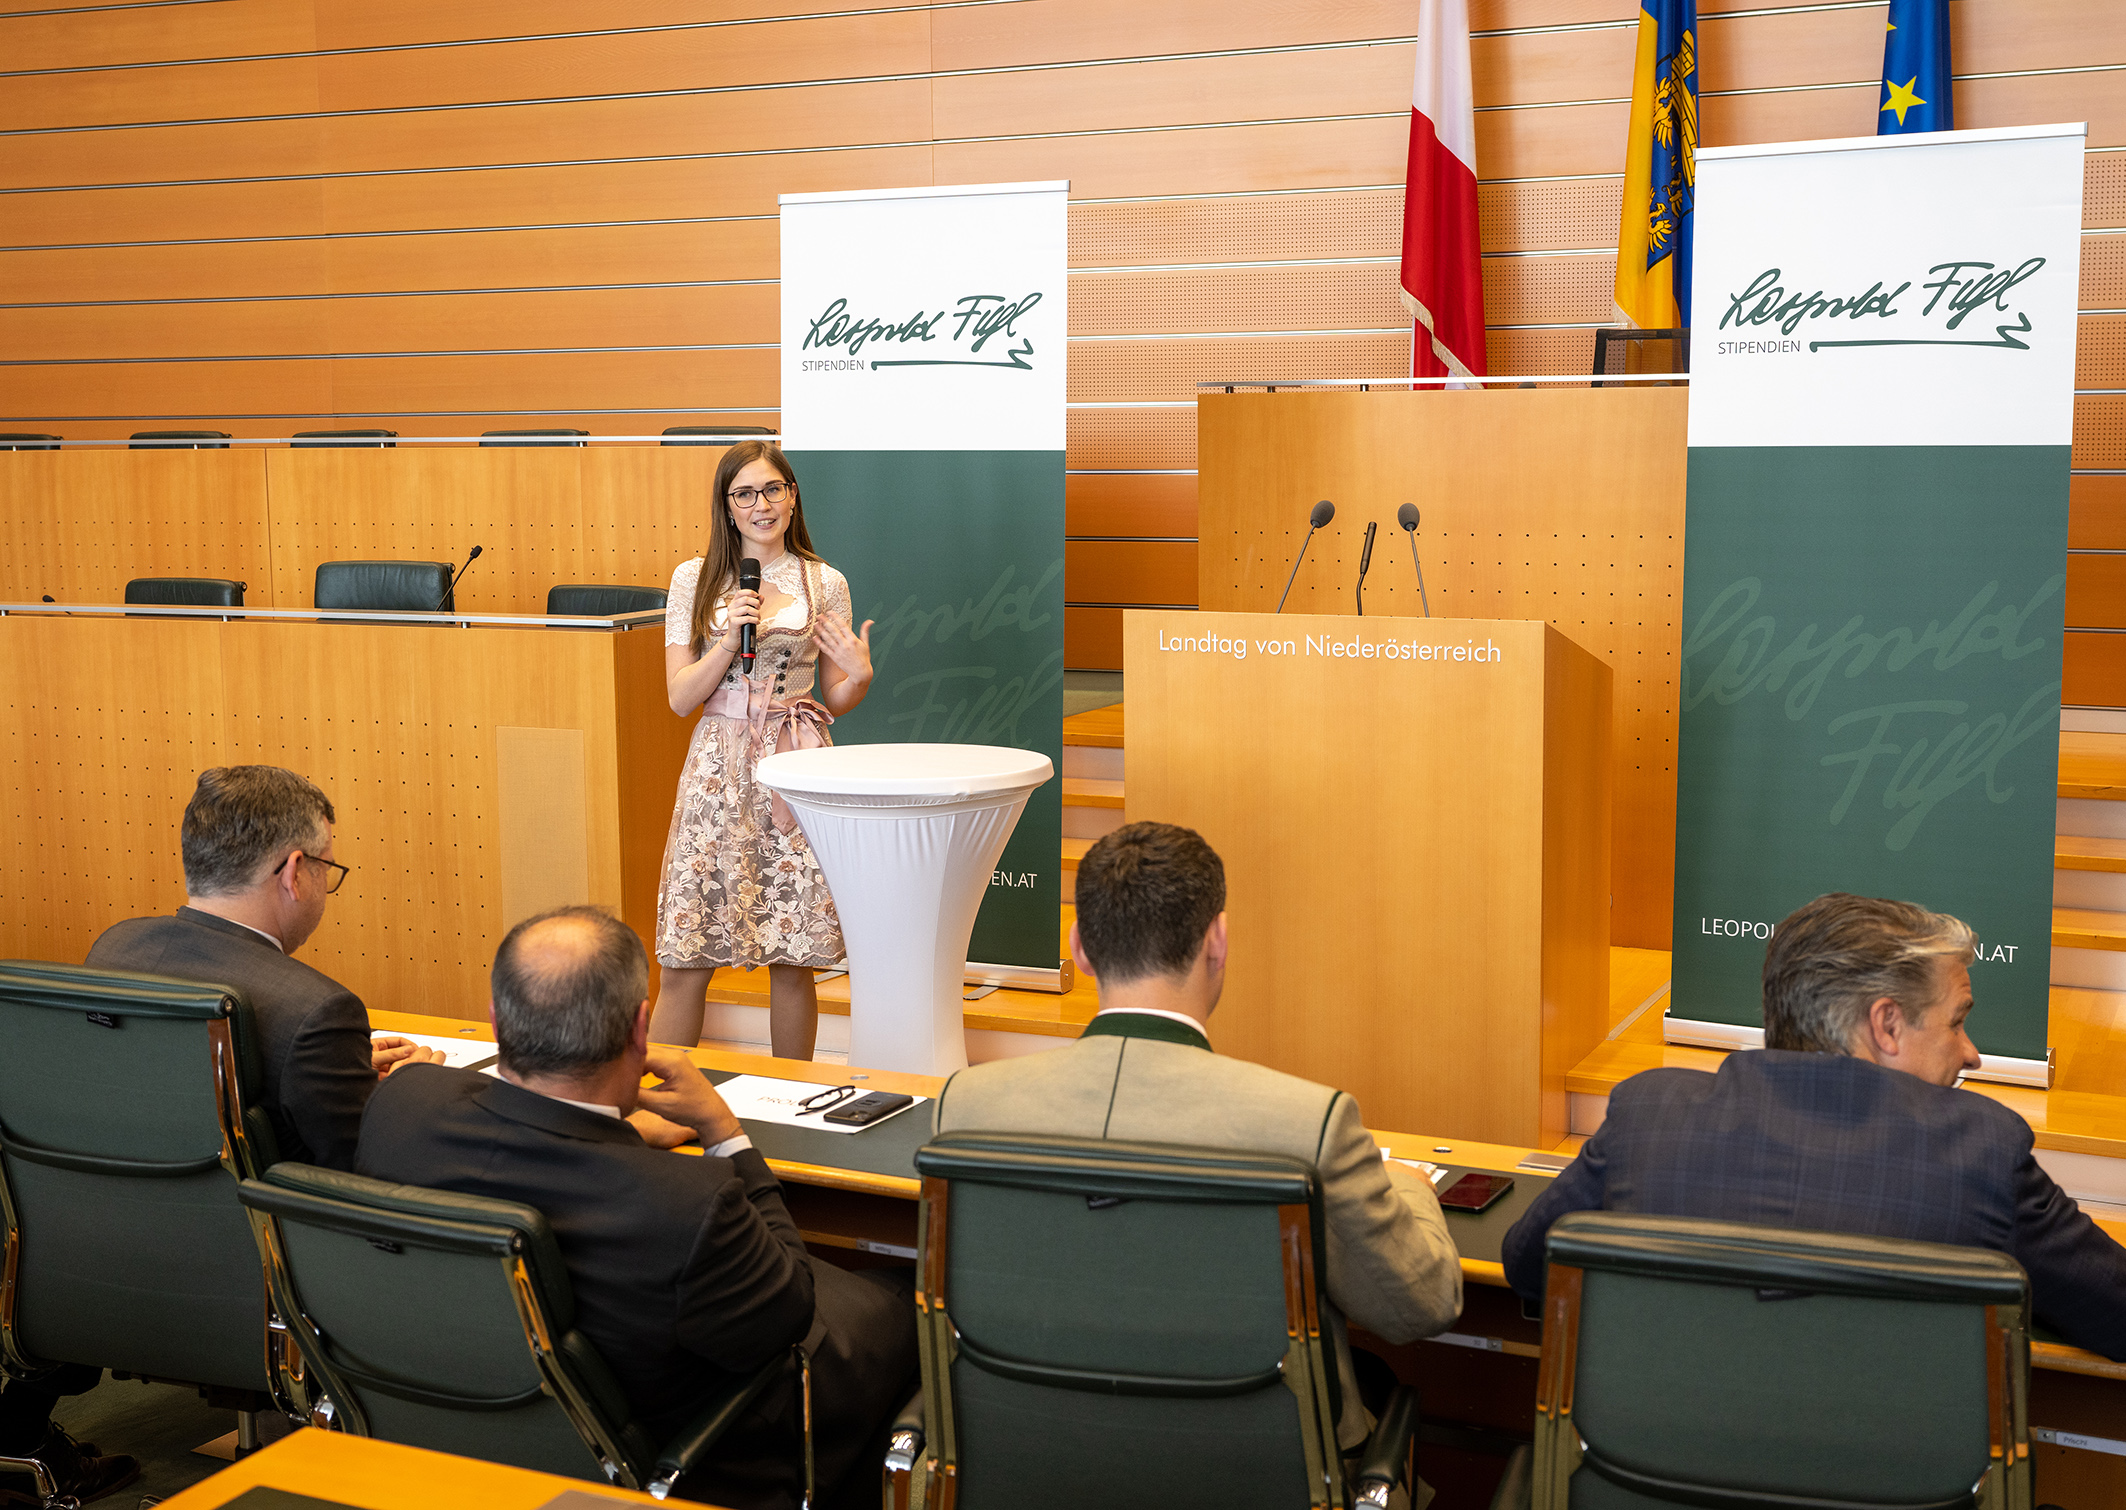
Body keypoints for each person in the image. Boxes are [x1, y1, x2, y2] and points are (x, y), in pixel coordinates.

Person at [931, 822, 1462, 1459]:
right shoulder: (1309, 1126)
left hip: (1030, 1463)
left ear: (1079, 948)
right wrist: (1407, 1184)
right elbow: (1421, 1305)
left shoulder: (966, 1108)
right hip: (1249, 1472)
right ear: (1218, 941)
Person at [357, 906, 917, 1510]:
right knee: (908, 1304)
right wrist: (724, 1131)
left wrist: (613, 1130)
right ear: (640, 1029)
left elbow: (501, 1112)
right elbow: (788, 1315)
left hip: (445, 1434)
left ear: (497, 1022)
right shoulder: (688, 1203)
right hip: (675, 1455)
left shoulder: (400, 1105)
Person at [1503, 892, 2126, 1358]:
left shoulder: (1649, 1116)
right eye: (1956, 1021)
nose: (1972, 1054)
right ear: (1886, 1025)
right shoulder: (1984, 1151)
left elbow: (1528, 1265)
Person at [86, 765, 440, 1170]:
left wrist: (338, 1069)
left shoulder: (113, 950)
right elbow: (373, 1172)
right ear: (294, 873)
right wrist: (407, 1095)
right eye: (326, 868)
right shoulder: (316, 1013)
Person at [648, 440, 874, 1061]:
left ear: (792, 496)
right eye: (744, 494)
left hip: (795, 762)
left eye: (773, 489)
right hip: (717, 768)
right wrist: (727, 641)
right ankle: (661, 1094)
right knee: (687, 953)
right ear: (726, 506)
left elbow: (836, 694)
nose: (761, 505)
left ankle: (790, 1094)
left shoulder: (825, 581)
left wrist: (859, 675)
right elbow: (679, 697)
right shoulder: (694, 578)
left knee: (793, 955)